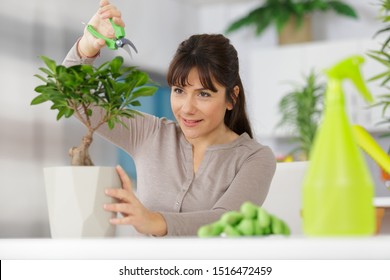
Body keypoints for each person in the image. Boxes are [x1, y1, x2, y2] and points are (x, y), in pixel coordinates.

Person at [63, 0, 276, 236]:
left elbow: (226, 220)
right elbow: (73, 100)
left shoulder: (255, 158)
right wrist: (87, 47)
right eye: (179, 91)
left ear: (231, 98)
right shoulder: (149, 134)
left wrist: (154, 221)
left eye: (203, 94)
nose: (187, 108)